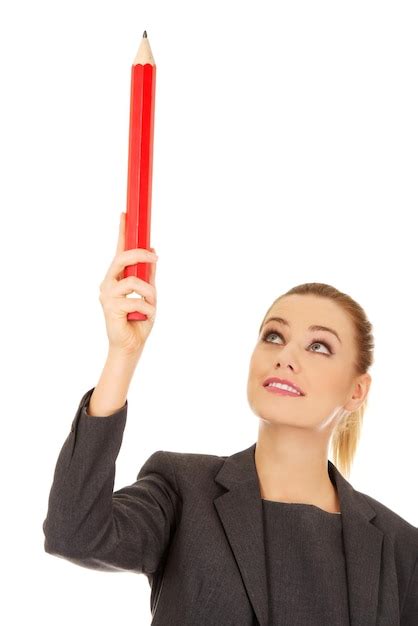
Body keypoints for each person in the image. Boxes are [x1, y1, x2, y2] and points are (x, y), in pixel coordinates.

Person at [43, 213, 418, 625]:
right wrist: (123, 353)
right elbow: (74, 532)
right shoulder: (184, 489)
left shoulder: (401, 548)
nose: (285, 356)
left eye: (319, 346)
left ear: (357, 390)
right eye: (274, 336)